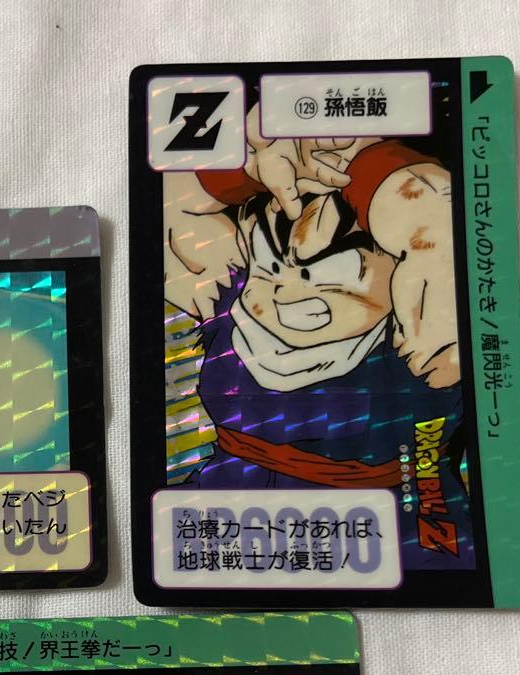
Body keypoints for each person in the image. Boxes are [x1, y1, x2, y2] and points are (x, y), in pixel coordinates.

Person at [163, 100, 472, 566]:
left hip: (388, 533)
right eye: (269, 267)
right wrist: (244, 167)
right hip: (227, 521)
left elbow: (443, 223)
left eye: (329, 277)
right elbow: (174, 202)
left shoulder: (416, 345)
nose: (283, 295)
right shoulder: (231, 296)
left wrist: (376, 171)